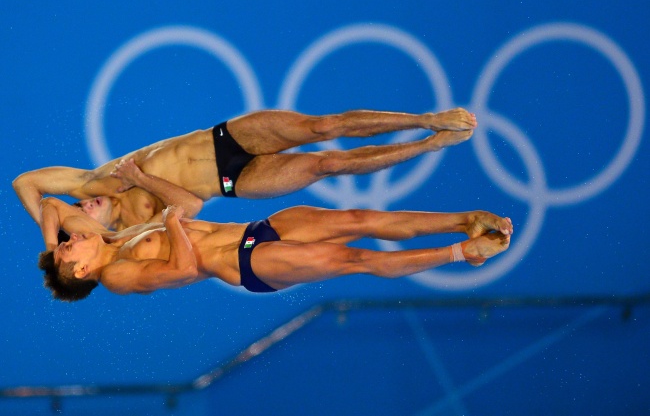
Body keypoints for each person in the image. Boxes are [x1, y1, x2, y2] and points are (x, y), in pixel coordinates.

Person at [14, 108, 477, 230]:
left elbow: (25, 181)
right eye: (82, 213)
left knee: (322, 126)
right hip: (235, 181)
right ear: (93, 229)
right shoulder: (134, 228)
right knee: (328, 164)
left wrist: (50, 235)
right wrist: (140, 180)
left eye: (77, 205)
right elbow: (190, 206)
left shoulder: (92, 180)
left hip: (226, 138)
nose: (84, 204)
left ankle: (425, 119)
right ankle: (431, 144)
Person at [37, 197, 513, 302]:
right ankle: (462, 253)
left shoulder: (117, 238)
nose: (70, 239)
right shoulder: (115, 275)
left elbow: (47, 202)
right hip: (248, 263)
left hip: (257, 228)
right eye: (66, 250)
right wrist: (172, 223)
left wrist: (148, 186)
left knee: (358, 218)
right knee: (359, 259)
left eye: (66, 240)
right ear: (80, 272)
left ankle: (464, 219)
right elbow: (182, 269)